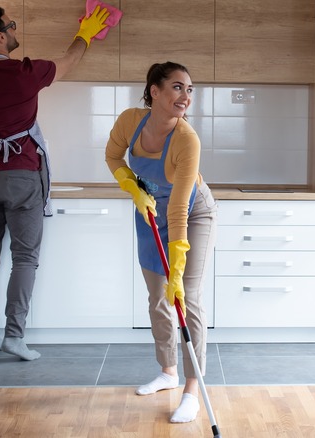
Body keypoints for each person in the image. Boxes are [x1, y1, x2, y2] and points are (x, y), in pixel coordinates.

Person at [0, 5, 113, 360]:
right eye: (12, 26)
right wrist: (85, 33)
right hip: (21, 175)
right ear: (0, 35)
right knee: (25, 259)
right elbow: (69, 61)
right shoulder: (25, 71)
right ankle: (14, 338)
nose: (15, 31)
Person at [105, 62, 218, 423]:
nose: (185, 97)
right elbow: (112, 156)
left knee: (186, 297)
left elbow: (181, 210)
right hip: (150, 211)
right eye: (177, 87)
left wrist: (178, 266)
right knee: (157, 298)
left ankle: (191, 389)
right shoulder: (129, 121)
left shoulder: (187, 140)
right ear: (154, 91)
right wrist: (131, 187)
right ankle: (168, 372)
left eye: (189, 90)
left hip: (191, 215)